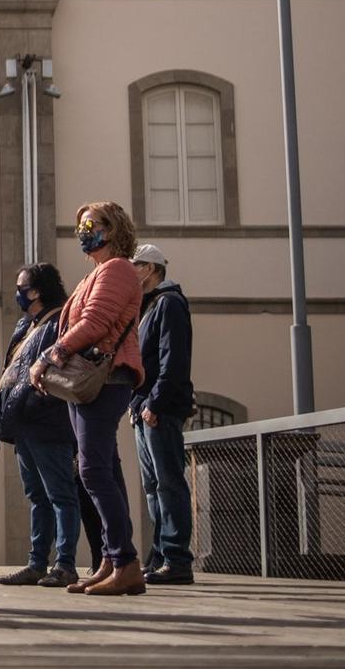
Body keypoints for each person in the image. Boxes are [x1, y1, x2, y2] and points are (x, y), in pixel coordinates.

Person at [31, 201, 146, 597]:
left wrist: (51, 356)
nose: (83, 231)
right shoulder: (99, 272)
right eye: (80, 225)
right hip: (97, 380)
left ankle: (125, 561)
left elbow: (95, 322)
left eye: (90, 225)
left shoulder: (116, 269)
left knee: (93, 470)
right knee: (103, 468)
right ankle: (112, 560)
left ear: (112, 229)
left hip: (107, 378)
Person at [0, 262, 80, 588]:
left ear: (38, 290)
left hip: (48, 420)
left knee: (61, 495)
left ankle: (65, 564)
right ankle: (37, 563)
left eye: (22, 287)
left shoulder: (60, 322)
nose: (18, 294)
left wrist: (37, 402)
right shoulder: (26, 325)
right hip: (23, 421)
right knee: (37, 496)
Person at [130, 242, 195, 585]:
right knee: (154, 487)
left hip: (159, 408)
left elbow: (173, 360)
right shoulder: (149, 307)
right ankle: (160, 556)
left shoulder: (168, 304)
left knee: (168, 484)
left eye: (137, 265)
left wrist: (154, 402)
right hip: (144, 408)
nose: (131, 270)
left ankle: (177, 559)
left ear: (151, 269)